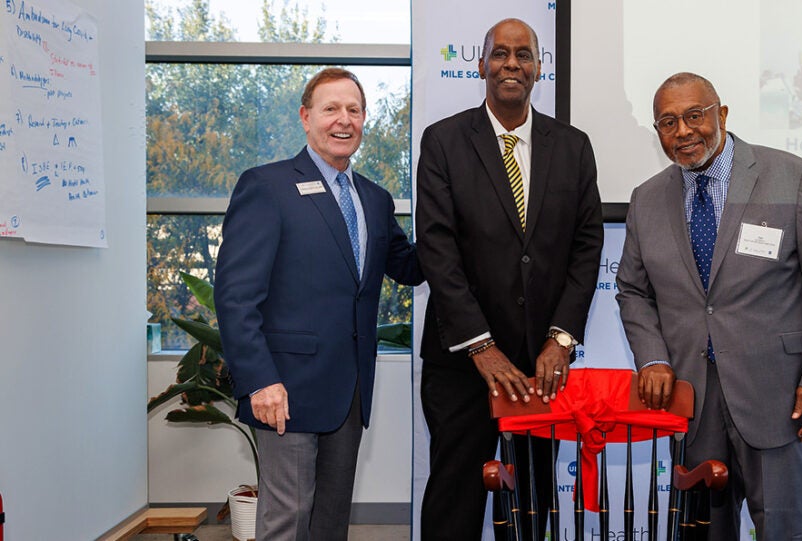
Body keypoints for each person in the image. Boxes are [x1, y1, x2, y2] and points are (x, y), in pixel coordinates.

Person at [615, 72, 802, 540]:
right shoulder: (646, 199)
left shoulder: (791, 176)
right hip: (693, 401)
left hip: (779, 400)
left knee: (782, 531)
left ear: (721, 115)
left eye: (694, 116)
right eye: (667, 122)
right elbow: (633, 291)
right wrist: (654, 358)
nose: (682, 131)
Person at [415, 18, 603, 540]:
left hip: (541, 366)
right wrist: (482, 348)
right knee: (456, 494)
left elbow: (587, 249)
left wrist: (560, 340)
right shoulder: (445, 141)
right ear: (481, 65)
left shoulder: (573, 146)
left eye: (524, 55)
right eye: (501, 54)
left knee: (533, 501)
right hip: (461, 365)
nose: (512, 64)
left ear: (540, 68)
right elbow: (437, 250)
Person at [215, 67, 422, 540]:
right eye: (330, 109)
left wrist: (457, 219)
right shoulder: (266, 186)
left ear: (365, 118)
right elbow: (235, 295)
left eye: (353, 109)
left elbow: (408, 267)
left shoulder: (373, 198)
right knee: (286, 518)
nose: (343, 120)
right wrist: (261, 380)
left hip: (347, 391)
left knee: (330, 522)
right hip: (284, 391)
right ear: (307, 118)